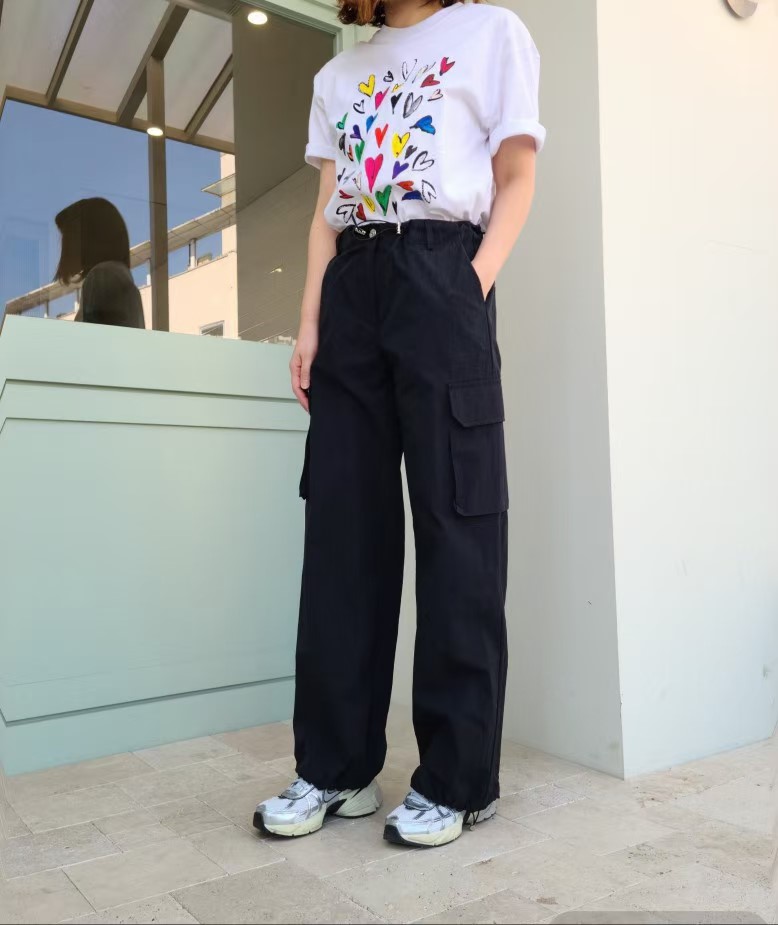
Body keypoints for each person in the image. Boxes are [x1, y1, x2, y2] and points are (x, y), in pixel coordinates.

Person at [254, 0, 544, 848]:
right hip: (353, 287)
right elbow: (325, 210)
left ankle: (459, 779)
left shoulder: (491, 33)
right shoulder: (338, 72)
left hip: (441, 271)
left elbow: (518, 176)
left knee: (459, 525)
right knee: (342, 533)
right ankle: (336, 766)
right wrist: (310, 322)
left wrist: (468, 286)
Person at [55, 198, 144, 329]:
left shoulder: (102, 276)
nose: (64, 245)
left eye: (70, 236)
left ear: (88, 237)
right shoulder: (118, 276)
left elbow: (93, 338)